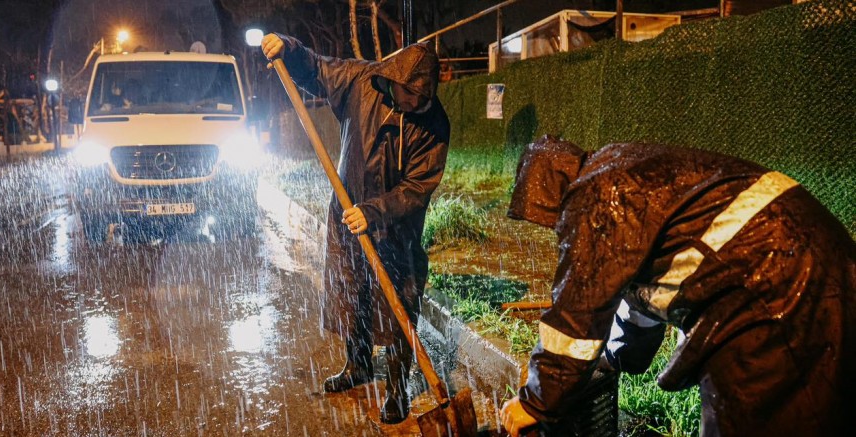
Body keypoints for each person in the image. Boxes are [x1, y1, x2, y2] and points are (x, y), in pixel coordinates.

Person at [499, 136, 855, 436]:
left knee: (752, 418)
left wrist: (535, 402)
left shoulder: (591, 197)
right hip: (823, 257)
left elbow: (575, 318)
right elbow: (643, 299)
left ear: (549, 193)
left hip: (770, 281)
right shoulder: (620, 170)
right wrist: (616, 357)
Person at [261, 33, 450, 423]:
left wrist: (376, 211)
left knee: (399, 304)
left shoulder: (433, 124)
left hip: (396, 226)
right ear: (392, 79)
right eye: (407, 94)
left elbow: (417, 188)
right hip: (347, 212)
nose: (413, 103)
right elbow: (315, 67)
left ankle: (398, 389)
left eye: (420, 97)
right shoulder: (359, 82)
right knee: (353, 291)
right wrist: (287, 48)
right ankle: (358, 365)